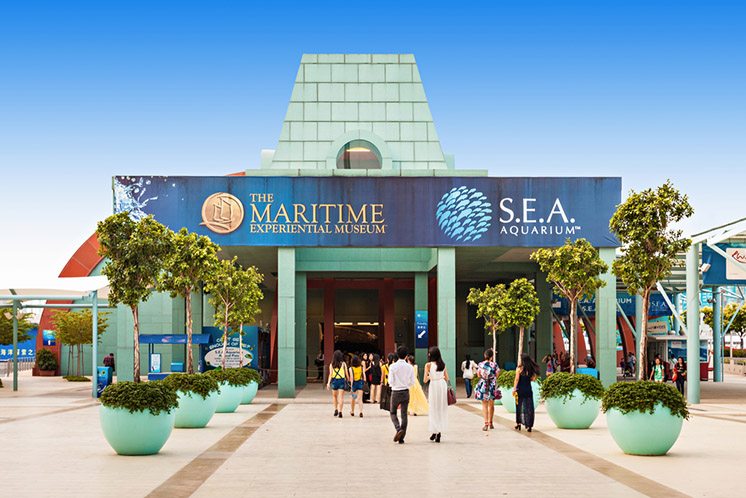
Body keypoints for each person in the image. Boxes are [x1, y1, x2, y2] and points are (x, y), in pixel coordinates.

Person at [388, 346, 415, 444]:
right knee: (404, 415)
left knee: (393, 412)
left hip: (395, 392)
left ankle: (398, 429)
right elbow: (412, 382)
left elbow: (390, 381)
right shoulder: (410, 367)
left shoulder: (392, 367)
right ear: (406, 356)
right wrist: (405, 384)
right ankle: (401, 437)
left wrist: (395, 385)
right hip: (405, 392)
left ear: (397, 355)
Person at [423, 346, 449, 443]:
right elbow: (447, 378)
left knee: (433, 408)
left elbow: (425, 380)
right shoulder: (442, 364)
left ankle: (435, 431)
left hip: (434, 385)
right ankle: (437, 432)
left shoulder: (428, 365)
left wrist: (430, 377)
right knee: (441, 408)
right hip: (442, 385)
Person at [474, 349, 500, 431]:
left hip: (483, 385)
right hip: (492, 385)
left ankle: (486, 424)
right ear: (492, 357)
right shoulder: (495, 365)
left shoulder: (480, 364)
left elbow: (478, 375)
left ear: (485, 356)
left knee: (484, 405)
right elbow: (497, 374)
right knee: (491, 405)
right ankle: (491, 422)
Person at [513, 353, 539, 432]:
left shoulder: (519, 369)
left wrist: (514, 388)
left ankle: (518, 423)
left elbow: (517, 379)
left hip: (520, 389)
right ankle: (529, 425)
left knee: (519, 406)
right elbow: (533, 378)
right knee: (529, 407)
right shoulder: (531, 369)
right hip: (528, 389)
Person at [326, 350, 349, 418]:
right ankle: (340, 412)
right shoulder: (343, 364)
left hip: (334, 381)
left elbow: (330, 374)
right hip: (342, 380)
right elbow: (346, 374)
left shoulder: (332, 364)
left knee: (334, 396)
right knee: (341, 397)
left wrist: (328, 383)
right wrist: (349, 381)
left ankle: (336, 409)